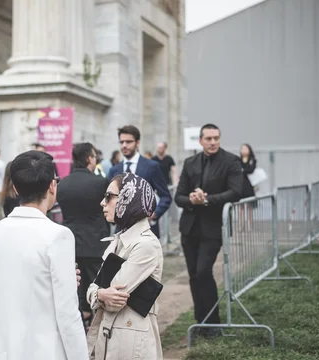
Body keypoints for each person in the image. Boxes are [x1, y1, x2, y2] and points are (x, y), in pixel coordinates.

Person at [0, 150, 88, 360]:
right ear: (52, 185)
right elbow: (67, 315)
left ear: (15, 188)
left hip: (0, 348)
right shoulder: (59, 235)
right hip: (43, 350)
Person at [174, 124, 242, 336]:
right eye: (209, 138)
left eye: (216, 138)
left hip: (213, 227)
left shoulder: (231, 161)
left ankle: (214, 322)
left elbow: (236, 192)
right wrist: (192, 199)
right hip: (189, 228)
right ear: (201, 141)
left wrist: (207, 200)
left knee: (204, 271)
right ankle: (200, 321)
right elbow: (179, 196)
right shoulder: (190, 162)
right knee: (194, 275)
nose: (213, 142)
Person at [86, 173, 164, 359]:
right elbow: (95, 290)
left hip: (130, 338)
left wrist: (98, 293)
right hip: (111, 332)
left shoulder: (146, 244)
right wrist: (99, 294)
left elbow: (113, 300)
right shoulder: (119, 239)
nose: (102, 203)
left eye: (108, 197)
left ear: (129, 198)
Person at [57, 143, 109, 328]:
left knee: (75, 287)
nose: (95, 161)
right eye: (94, 157)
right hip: (95, 243)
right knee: (98, 286)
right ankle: (99, 324)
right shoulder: (100, 182)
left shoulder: (62, 184)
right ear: (89, 158)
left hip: (71, 243)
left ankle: (79, 322)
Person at [107, 125, 171, 238]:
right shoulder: (114, 170)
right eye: (121, 142)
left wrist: (154, 214)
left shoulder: (152, 166)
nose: (124, 145)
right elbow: (109, 198)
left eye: (128, 142)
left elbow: (166, 196)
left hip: (146, 230)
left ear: (137, 143)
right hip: (121, 232)